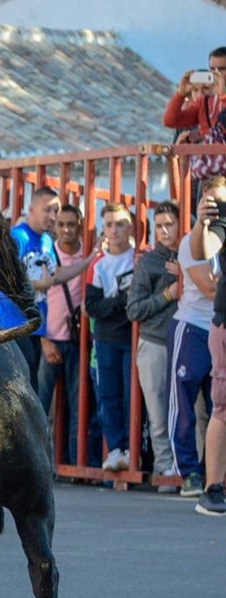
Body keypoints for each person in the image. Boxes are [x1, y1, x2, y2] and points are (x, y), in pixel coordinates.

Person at [171, 177, 225, 499]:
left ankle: (211, 473)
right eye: (211, 201)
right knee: (185, 406)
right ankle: (188, 472)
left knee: (214, 408)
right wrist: (203, 223)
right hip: (194, 327)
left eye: (222, 201)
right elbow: (210, 286)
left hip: (215, 325)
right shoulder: (193, 238)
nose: (217, 207)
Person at [126, 201, 181, 489]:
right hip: (154, 343)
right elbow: (133, 309)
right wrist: (169, 294)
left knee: (188, 412)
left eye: (169, 224)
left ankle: (188, 470)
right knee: (158, 414)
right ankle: (164, 473)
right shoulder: (148, 262)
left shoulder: (194, 255)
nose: (164, 231)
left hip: (186, 340)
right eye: (158, 225)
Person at [37, 204, 96, 466]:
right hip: (50, 338)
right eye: (61, 224)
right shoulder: (47, 254)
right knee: (41, 406)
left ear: (80, 225)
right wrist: (44, 339)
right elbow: (37, 299)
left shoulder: (89, 255)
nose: (66, 230)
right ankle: (40, 463)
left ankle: (75, 463)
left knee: (78, 405)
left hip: (80, 340)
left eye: (71, 224)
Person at [85, 204, 137, 473]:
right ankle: (116, 448)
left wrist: (113, 304)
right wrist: (121, 302)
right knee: (109, 396)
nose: (114, 229)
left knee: (132, 397)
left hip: (132, 338)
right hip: (105, 339)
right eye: (109, 224)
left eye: (119, 223)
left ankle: (134, 449)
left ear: (130, 226)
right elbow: (92, 306)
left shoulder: (140, 258)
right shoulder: (98, 264)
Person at [0, 187, 61, 385]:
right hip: (12, 327)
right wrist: (39, 285)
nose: (52, 215)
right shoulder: (18, 237)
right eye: (47, 209)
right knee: (22, 391)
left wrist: (88, 261)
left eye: (56, 210)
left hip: (34, 326)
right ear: (31, 209)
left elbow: (55, 275)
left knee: (29, 390)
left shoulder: (47, 240)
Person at [190, 176, 226, 515]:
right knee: (222, 409)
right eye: (211, 202)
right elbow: (204, 250)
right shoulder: (218, 221)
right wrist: (204, 221)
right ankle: (213, 489)